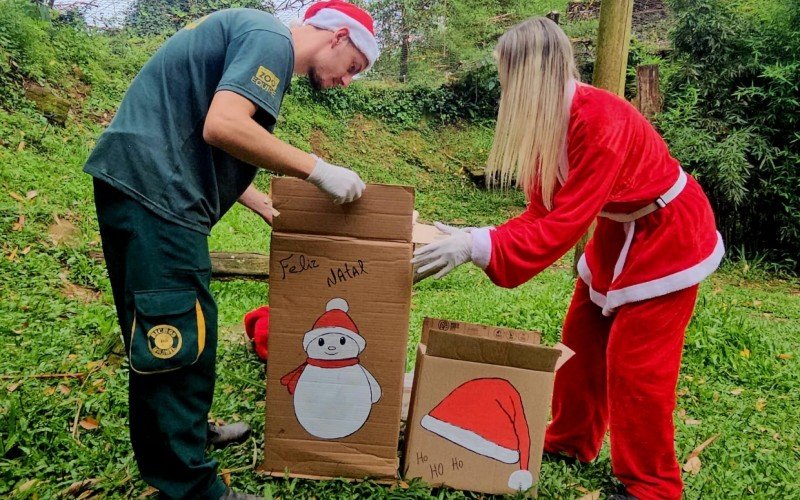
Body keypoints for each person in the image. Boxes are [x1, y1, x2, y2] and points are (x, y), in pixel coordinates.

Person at [411, 17, 724, 500]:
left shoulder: (601, 120)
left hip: (670, 234)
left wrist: (476, 247)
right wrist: (477, 235)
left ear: (526, 71)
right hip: (620, 233)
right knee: (580, 339)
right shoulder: (547, 126)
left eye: (505, 74)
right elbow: (541, 211)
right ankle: (573, 440)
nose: (502, 85)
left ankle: (653, 486)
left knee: (638, 363)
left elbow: (565, 223)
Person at [83, 2, 380, 498]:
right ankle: (190, 487)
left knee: (180, 325)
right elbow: (224, 126)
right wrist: (318, 170)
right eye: (353, 67)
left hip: (147, 186)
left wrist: (261, 202)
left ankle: (189, 433)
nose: (347, 81)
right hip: (158, 194)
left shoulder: (251, 34)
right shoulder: (272, 40)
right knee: (173, 336)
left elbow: (207, 123)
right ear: (338, 36)